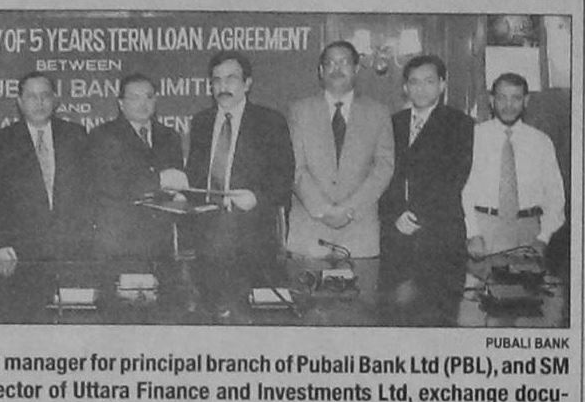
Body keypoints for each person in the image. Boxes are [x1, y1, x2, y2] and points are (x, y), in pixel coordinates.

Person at [378, 55, 473, 312]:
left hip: (441, 236)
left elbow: (454, 178)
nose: (421, 88)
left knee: (440, 314)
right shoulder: (392, 123)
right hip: (396, 236)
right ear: (405, 87)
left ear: (442, 85)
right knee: (393, 316)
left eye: (429, 81)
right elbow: (382, 175)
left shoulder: (460, 123)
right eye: (414, 82)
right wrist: (396, 215)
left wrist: (416, 216)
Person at [287, 40, 394, 258]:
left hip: (359, 232)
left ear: (356, 69)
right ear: (321, 71)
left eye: (344, 62)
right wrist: (323, 209)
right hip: (309, 231)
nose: (337, 69)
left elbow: (384, 167)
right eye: (330, 63)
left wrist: (350, 209)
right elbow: (294, 166)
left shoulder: (378, 113)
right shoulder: (299, 111)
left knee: (362, 281)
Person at [185, 51, 294, 264]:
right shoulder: (201, 122)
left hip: (252, 234)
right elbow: (196, 173)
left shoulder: (270, 121)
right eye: (216, 80)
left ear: (247, 84)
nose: (223, 86)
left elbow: (284, 176)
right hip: (206, 234)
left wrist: (257, 198)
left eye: (231, 79)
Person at [0, 71, 91, 273]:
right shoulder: (1, 141)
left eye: (45, 95)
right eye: (32, 96)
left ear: (55, 100)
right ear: (20, 102)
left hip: (72, 248)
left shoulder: (75, 135)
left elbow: (89, 192)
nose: (39, 102)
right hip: (20, 251)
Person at [462, 73, 565, 258]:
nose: (508, 105)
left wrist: (543, 238)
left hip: (529, 231)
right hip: (484, 229)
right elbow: (463, 190)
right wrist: (472, 234)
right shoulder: (473, 137)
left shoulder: (541, 141)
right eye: (502, 98)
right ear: (491, 100)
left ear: (526, 100)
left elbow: (555, 195)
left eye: (516, 98)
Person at [90, 73, 189, 259]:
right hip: (120, 239)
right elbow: (111, 183)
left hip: (160, 240)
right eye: (135, 97)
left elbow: (176, 181)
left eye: (149, 97)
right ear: (121, 103)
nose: (143, 104)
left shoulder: (170, 136)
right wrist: (159, 180)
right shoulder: (103, 135)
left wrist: (180, 195)